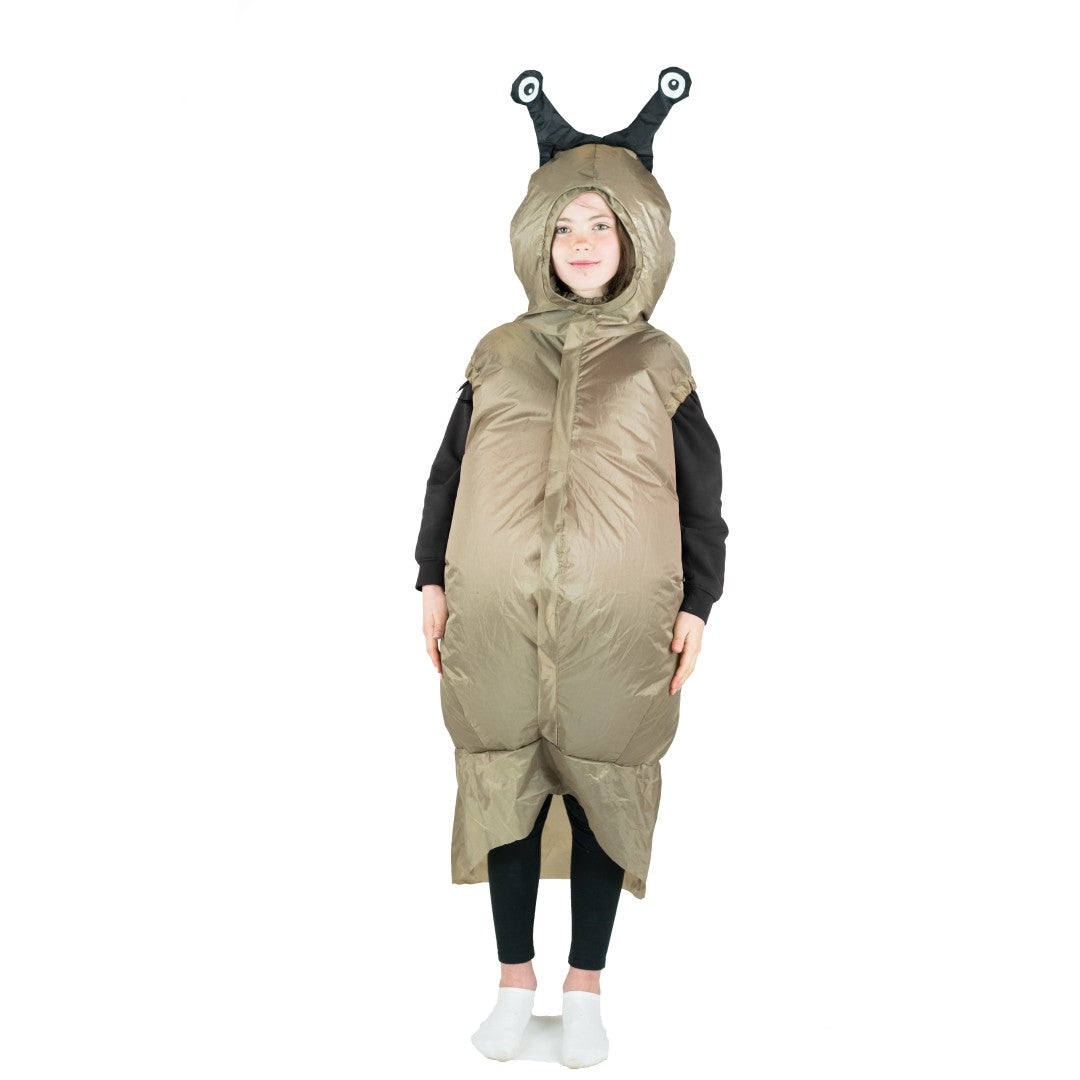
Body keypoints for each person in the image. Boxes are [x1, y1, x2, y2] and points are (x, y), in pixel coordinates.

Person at [414, 69, 728, 1068]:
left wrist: (700, 603)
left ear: (637, 239)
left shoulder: (660, 364)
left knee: (602, 790)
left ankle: (585, 991)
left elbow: (702, 496)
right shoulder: (498, 354)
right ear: (535, 241)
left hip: (619, 630)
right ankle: (514, 984)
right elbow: (449, 471)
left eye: (601, 224)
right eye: (563, 226)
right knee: (504, 784)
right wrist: (430, 577)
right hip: (497, 621)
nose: (582, 242)